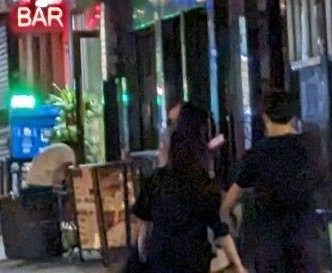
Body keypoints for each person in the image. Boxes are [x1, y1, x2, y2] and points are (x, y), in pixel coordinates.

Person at [221, 89, 320, 273]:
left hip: (270, 244)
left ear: (265, 117)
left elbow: (232, 198)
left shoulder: (256, 155)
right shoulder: (309, 148)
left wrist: (226, 218)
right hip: (305, 239)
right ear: (292, 117)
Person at [132, 115, 241, 273]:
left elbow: (143, 225)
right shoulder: (204, 185)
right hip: (194, 258)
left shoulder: (155, 181)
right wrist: (238, 265)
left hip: (160, 257)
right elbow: (220, 231)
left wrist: (140, 254)